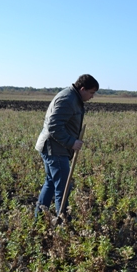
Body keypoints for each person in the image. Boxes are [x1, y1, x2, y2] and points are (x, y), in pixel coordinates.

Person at [35, 74, 99, 219]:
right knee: (63, 188)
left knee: (51, 183)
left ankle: (38, 219)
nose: (92, 96)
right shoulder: (67, 99)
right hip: (54, 149)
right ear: (82, 89)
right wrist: (71, 142)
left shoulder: (72, 97)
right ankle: (64, 223)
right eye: (91, 92)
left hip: (53, 147)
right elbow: (53, 126)